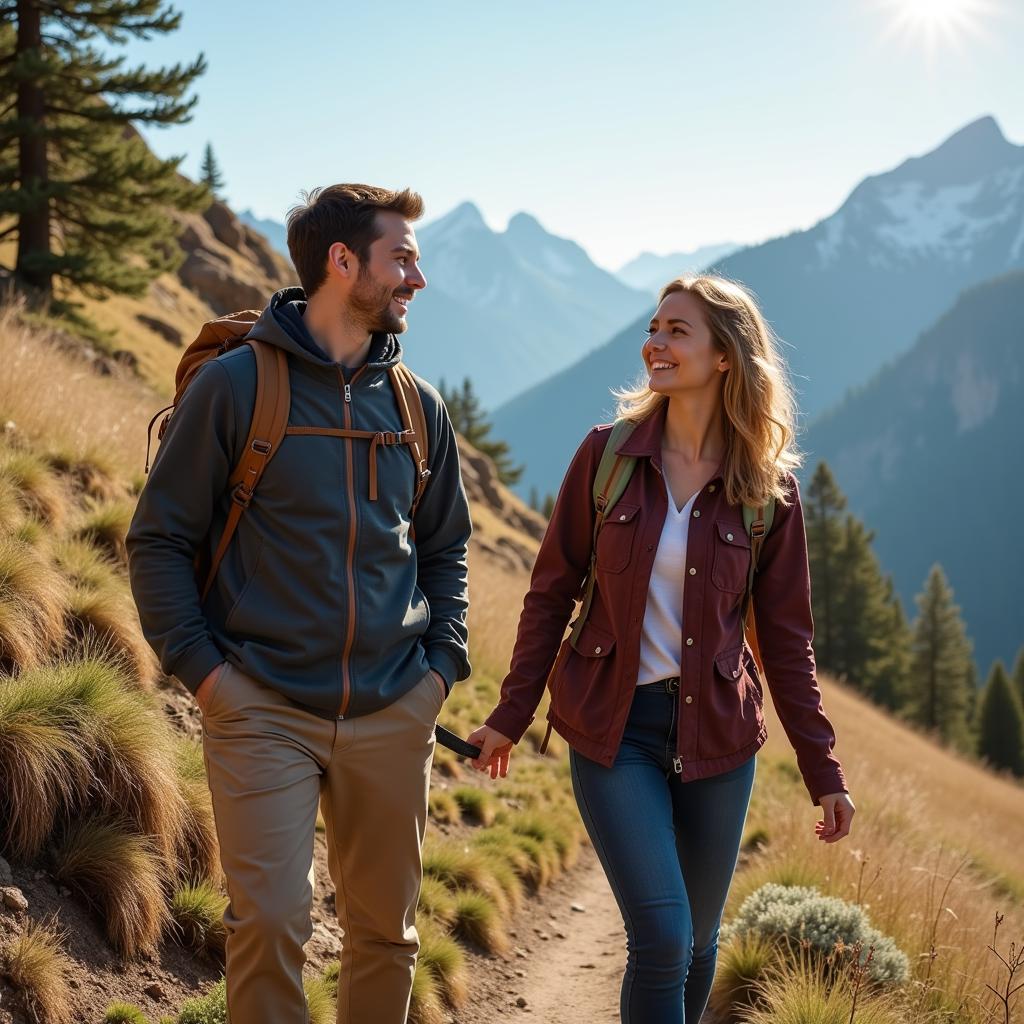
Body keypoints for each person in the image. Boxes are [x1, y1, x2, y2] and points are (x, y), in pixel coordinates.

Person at [127, 184, 472, 1024]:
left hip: (396, 706)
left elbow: (445, 546)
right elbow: (158, 540)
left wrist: (440, 668)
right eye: (402, 258)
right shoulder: (239, 387)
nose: (417, 278)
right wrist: (209, 678)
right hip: (261, 706)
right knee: (272, 923)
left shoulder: (417, 407)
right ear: (340, 262)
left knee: (386, 936)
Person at [469, 274, 855, 1023]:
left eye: (678, 331)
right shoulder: (605, 457)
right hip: (615, 737)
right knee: (663, 934)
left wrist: (823, 769)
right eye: (654, 327)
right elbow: (551, 595)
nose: (656, 342)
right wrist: (510, 716)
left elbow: (786, 641)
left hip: (719, 740)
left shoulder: (766, 491)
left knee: (700, 940)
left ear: (725, 358)